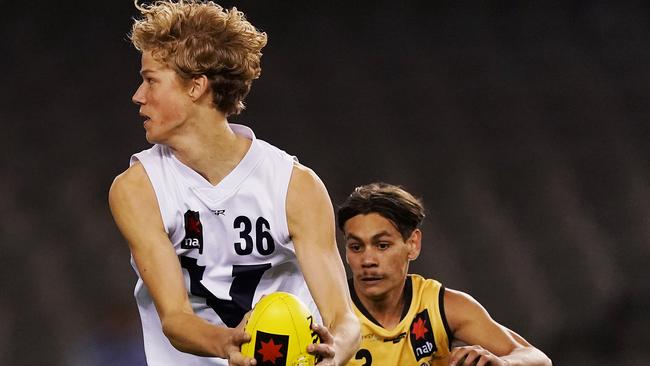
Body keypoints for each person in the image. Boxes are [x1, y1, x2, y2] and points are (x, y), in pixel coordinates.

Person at [108, 1, 360, 365]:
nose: (138, 95)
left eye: (150, 80)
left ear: (196, 87)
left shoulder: (294, 187)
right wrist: (229, 344)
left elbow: (343, 318)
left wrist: (336, 352)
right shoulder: (137, 189)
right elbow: (176, 319)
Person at [337, 183, 552, 366]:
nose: (367, 261)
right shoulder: (328, 313)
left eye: (382, 245)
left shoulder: (440, 306)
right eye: (356, 247)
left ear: (412, 244)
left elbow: (538, 359)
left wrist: (503, 362)